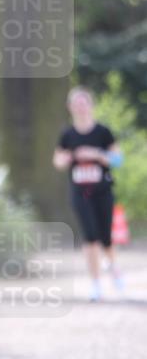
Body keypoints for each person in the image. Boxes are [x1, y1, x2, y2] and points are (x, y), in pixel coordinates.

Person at [52, 86, 125, 301]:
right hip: (80, 193)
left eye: (84, 104)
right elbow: (57, 161)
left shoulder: (103, 132)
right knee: (90, 237)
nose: (81, 108)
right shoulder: (67, 135)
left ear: (91, 106)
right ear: (70, 108)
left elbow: (118, 160)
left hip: (103, 191)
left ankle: (113, 268)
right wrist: (66, 159)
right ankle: (96, 284)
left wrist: (97, 154)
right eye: (77, 105)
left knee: (106, 238)